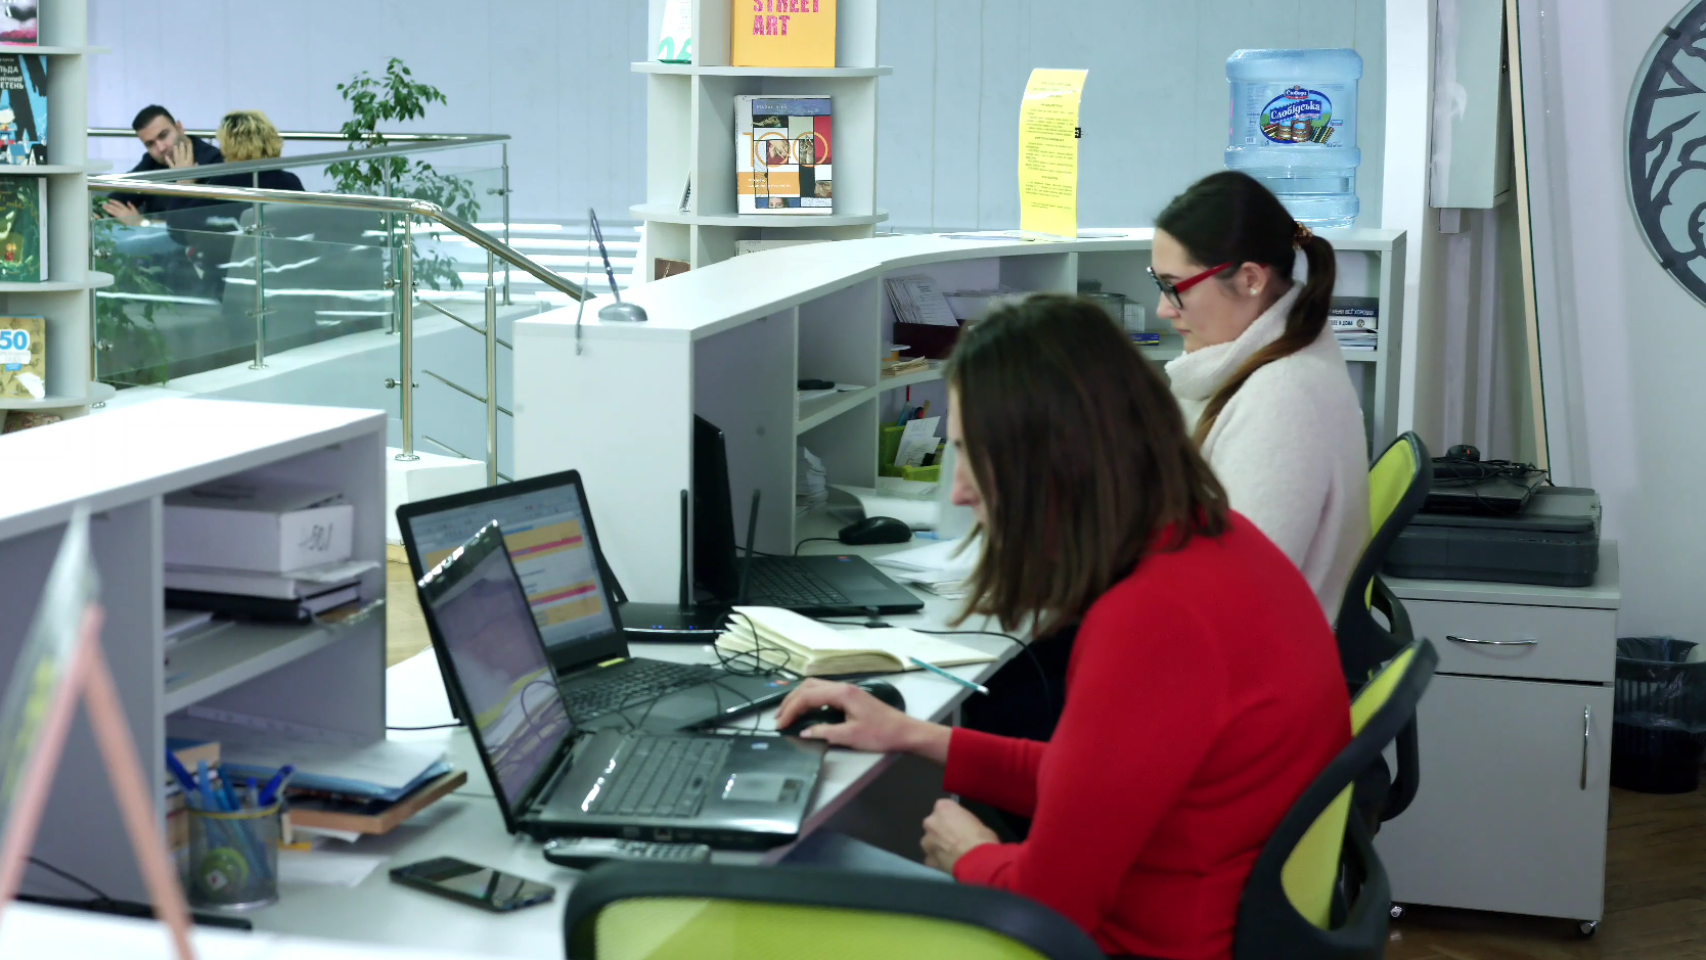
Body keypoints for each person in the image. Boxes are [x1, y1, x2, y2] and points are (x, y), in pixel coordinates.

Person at [774, 296, 1351, 960]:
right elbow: (1098, 781)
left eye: (969, 454)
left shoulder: (1152, 619)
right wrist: (915, 735)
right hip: (1208, 913)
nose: (959, 490)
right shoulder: (1217, 543)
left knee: (788, 877)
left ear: (1052, 461)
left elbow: (1049, 906)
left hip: (1131, 942)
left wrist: (973, 856)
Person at [1153, 170, 1370, 618]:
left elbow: (1234, 598)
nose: (1162, 308)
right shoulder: (1272, 368)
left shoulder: (1282, 398)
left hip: (1250, 668)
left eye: (1174, 286)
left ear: (1251, 279)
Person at [100, 105, 225, 227]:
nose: (161, 148)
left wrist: (142, 223)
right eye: (150, 144)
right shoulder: (151, 162)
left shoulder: (212, 162)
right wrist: (100, 214)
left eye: (163, 135)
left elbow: (201, 227)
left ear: (179, 128)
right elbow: (116, 199)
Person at [206, 110, 304, 191]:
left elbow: (193, 212)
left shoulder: (224, 185)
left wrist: (190, 184)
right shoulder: (291, 181)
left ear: (232, 145)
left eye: (222, 142)